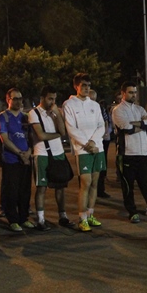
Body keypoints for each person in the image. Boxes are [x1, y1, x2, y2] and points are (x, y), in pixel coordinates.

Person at [111, 82, 147, 224]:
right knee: (128, 186)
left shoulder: (140, 109)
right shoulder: (118, 110)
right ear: (123, 93)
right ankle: (132, 212)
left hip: (143, 153)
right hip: (127, 154)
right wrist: (141, 125)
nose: (134, 95)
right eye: (131, 92)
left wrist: (136, 124)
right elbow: (126, 128)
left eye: (135, 92)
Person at [63, 72, 106, 232]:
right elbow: (71, 128)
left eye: (89, 86)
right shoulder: (69, 104)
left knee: (95, 182)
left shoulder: (95, 105)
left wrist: (94, 142)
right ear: (76, 86)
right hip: (82, 150)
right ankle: (82, 218)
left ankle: (90, 214)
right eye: (83, 85)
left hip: (97, 147)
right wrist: (86, 144)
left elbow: (101, 125)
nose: (87, 88)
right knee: (85, 183)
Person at [29, 85, 73, 230]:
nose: (52, 102)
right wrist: (58, 135)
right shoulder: (34, 113)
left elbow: (63, 131)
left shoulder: (55, 112)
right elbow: (41, 135)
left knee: (60, 186)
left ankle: (63, 216)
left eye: (54, 99)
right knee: (41, 187)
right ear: (42, 98)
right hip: (42, 154)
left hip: (58, 152)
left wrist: (58, 115)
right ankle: (41, 219)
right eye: (49, 99)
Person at [0, 88, 34, 232]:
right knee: (11, 190)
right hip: (11, 160)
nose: (18, 101)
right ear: (8, 100)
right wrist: (20, 153)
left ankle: (24, 218)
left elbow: (31, 138)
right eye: (15, 99)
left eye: (20, 98)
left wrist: (28, 153)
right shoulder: (3, 117)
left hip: (26, 160)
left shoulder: (26, 117)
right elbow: (4, 139)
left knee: (25, 190)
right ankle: (13, 219)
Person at [90, 89, 113, 199]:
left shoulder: (99, 108)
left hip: (101, 140)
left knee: (101, 166)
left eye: (94, 99)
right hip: (88, 141)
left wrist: (105, 133)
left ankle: (100, 189)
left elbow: (105, 121)